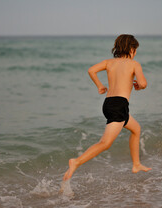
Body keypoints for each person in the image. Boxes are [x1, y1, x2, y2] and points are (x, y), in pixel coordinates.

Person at [62, 34, 151, 183]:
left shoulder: (109, 62)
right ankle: (76, 162)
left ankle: (136, 164)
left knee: (136, 129)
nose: (135, 53)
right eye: (135, 49)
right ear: (131, 49)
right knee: (105, 143)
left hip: (109, 103)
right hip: (119, 105)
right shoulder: (134, 64)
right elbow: (143, 83)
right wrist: (139, 86)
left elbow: (91, 70)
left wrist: (100, 86)